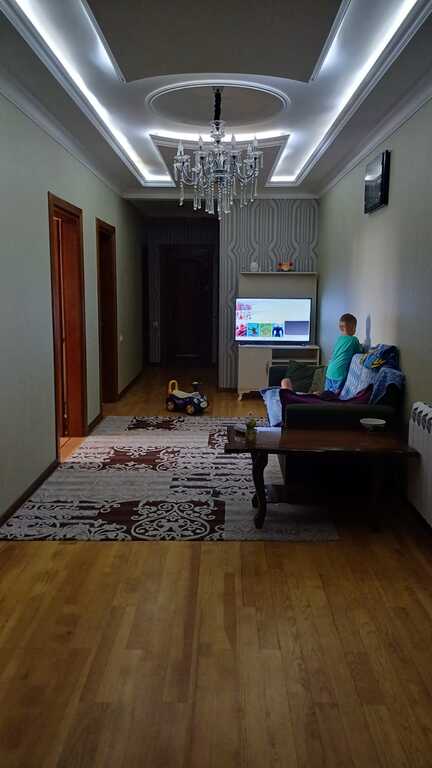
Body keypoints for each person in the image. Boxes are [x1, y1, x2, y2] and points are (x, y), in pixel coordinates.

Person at [281, 313, 362, 395]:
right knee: (334, 395)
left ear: (340, 328)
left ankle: (318, 395)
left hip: (329, 371)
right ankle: (318, 395)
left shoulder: (339, 339)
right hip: (339, 373)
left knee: (327, 393)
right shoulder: (354, 340)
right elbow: (359, 352)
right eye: (354, 327)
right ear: (353, 328)